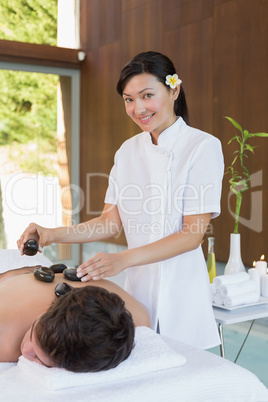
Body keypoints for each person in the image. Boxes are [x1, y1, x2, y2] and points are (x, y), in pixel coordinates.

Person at [18, 51, 224, 349]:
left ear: (174, 89)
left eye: (147, 95)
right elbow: (109, 223)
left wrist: (121, 260)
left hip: (183, 298)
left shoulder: (202, 147)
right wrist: (52, 234)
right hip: (137, 294)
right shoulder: (127, 151)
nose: (138, 108)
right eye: (129, 99)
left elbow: (191, 236)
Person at [0, 268, 151, 369]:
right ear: (50, 307)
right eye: (33, 329)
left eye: (39, 359)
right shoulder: (5, 337)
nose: (25, 351)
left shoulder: (140, 317)